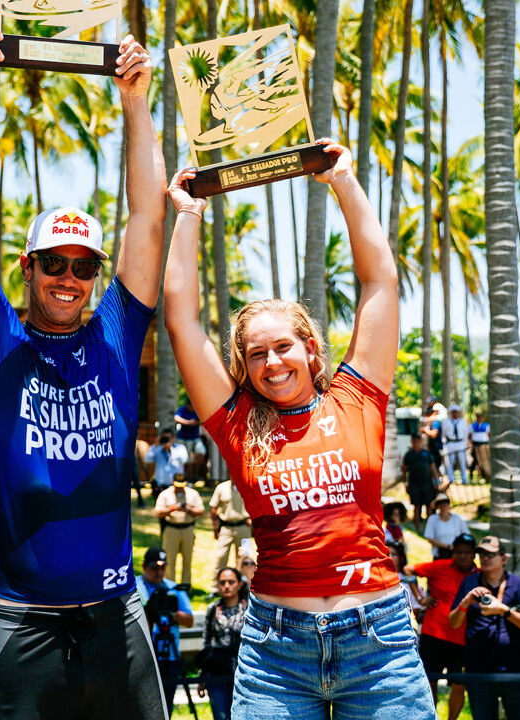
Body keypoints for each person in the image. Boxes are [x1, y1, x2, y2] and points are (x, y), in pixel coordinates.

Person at [164, 144, 435, 718]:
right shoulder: (236, 423)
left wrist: (343, 181)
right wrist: (187, 213)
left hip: (379, 643)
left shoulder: (357, 399)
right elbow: (181, 320)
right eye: (256, 354)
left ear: (310, 349)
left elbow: (380, 282)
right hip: (275, 652)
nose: (272, 364)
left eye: (283, 347)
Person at [0, 26, 169, 720]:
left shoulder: (115, 332)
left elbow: (148, 215)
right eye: (54, 262)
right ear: (29, 266)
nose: (69, 277)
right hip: (19, 624)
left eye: (83, 266)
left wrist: (137, 103)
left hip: (115, 620)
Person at [448, 536, 520, 720]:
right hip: (479, 668)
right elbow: (453, 623)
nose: (485, 558)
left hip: (515, 668)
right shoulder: (469, 583)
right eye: (481, 554)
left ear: (504, 558)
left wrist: (504, 611)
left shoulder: (519, 585)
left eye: (490, 554)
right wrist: (465, 602)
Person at [406, 533, 477, 720]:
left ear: (473, 554)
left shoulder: (479, 575)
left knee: (459, 684)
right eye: (459, 551)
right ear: (453, 551)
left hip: (463, 638)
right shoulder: (440, 567)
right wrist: (421, 598)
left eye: (467, 552)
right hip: (434, 633)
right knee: (430, 681)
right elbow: (408, 569)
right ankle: (431, 716)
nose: (463, 555)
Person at [136, 548, 194, 717]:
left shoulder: (173, 588)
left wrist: (170, 611)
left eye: (163, 568)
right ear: (144, 566)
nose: (159, 572)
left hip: (170, 656)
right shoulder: (134, 587)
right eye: (154, 568)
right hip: (144, 654)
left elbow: (189, 621)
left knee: (166, 703)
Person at [197, 567, 246, 720]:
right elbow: (206, 641)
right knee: (221, 715)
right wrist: (202, 676)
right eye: (222, 582)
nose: (226, 586)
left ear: (239, 584)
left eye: (231, 582)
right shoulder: (213, 609)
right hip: (217, 671)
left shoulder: (248, 607)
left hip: (243, 672)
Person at [154, 477, 203, 586]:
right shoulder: (165, 494)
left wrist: (188, 509)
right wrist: (173, 508)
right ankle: (170, 585)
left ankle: (186, 585)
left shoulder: (193, 494)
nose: (180, 489)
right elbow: (158, 512)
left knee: (187, 559)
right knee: (169, 560)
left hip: (188, 529)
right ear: (173, 483)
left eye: (182, 486)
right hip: (171, 529)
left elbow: (201, 511)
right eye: (177, 486)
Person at [209, 477, 251, 581]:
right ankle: (216, 587)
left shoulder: (248, 486)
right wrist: (215, 527)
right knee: (221, 556)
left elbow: (257, 503)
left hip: (243, 526)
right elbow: (213, 507)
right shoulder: (221, 487)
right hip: (226, 527)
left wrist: (252, 518)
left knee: (244, 557)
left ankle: (244, 586)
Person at [401, 434, 440, 528]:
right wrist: (405, 483)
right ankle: (417, 526)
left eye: (418, 442)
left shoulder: (426, 454)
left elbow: (433, 468)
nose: (416, 444)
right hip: (414, 484)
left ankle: (429, 526)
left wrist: (437, 481)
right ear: (412, 442)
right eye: (414, 442)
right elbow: (404, 470)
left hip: (427, 484)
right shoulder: (408, 455)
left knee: (428, 505)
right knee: (416, 506)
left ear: (421, 442)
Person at [425, 493, 469, 560]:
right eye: (441, 503)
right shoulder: (433, 519)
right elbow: (429, 538)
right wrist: (447, 546)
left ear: (449, 504)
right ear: (438, 506)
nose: (444, 506)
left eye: (446, 503)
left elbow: (466, 534)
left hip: (455, 554)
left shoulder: (456, 518)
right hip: (439, 554)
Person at [145, 429, 189, 496]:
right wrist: (154, 446)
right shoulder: (157, 448)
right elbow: (147, 459)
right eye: (164, 438)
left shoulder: (180, 448)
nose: (166, 441)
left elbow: (184, 459)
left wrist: (170, 449)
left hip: (176, 485)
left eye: (168, 438)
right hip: (160, 485)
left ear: (173, 438)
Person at [174, 403, 206, 483]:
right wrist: (189, 423)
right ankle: (187, 477)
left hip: (195, 438)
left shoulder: (198, 409)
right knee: (187, 460)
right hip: (183, 438)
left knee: (201, 453)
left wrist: (193, 423)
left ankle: (195, 475)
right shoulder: (182, 409)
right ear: (188, 405)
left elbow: (202, 420)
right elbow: (176, 418)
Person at [441, 405, 469, 486]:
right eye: (453, 412)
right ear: (451, 413)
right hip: (450, 443)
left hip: (460, 443)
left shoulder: (463, 422)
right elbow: (443, 434)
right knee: (450, 462)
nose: (455, 414)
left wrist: (465, 443)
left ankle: (464, 479)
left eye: (456, 412)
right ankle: (451, 478)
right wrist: (444, 444)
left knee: (462, 462)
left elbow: (466, 433)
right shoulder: (446, 422)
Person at [468, 410, 491, 482]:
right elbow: (470, 435)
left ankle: (485, 475)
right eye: (478, 417)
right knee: (475, 459)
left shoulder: (487, 425)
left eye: (481, 417)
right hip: (476, 444)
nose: (479, 418)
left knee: (485, 460)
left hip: (484, 444)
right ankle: (471, 474)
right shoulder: (473, 425)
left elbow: (489, 435)